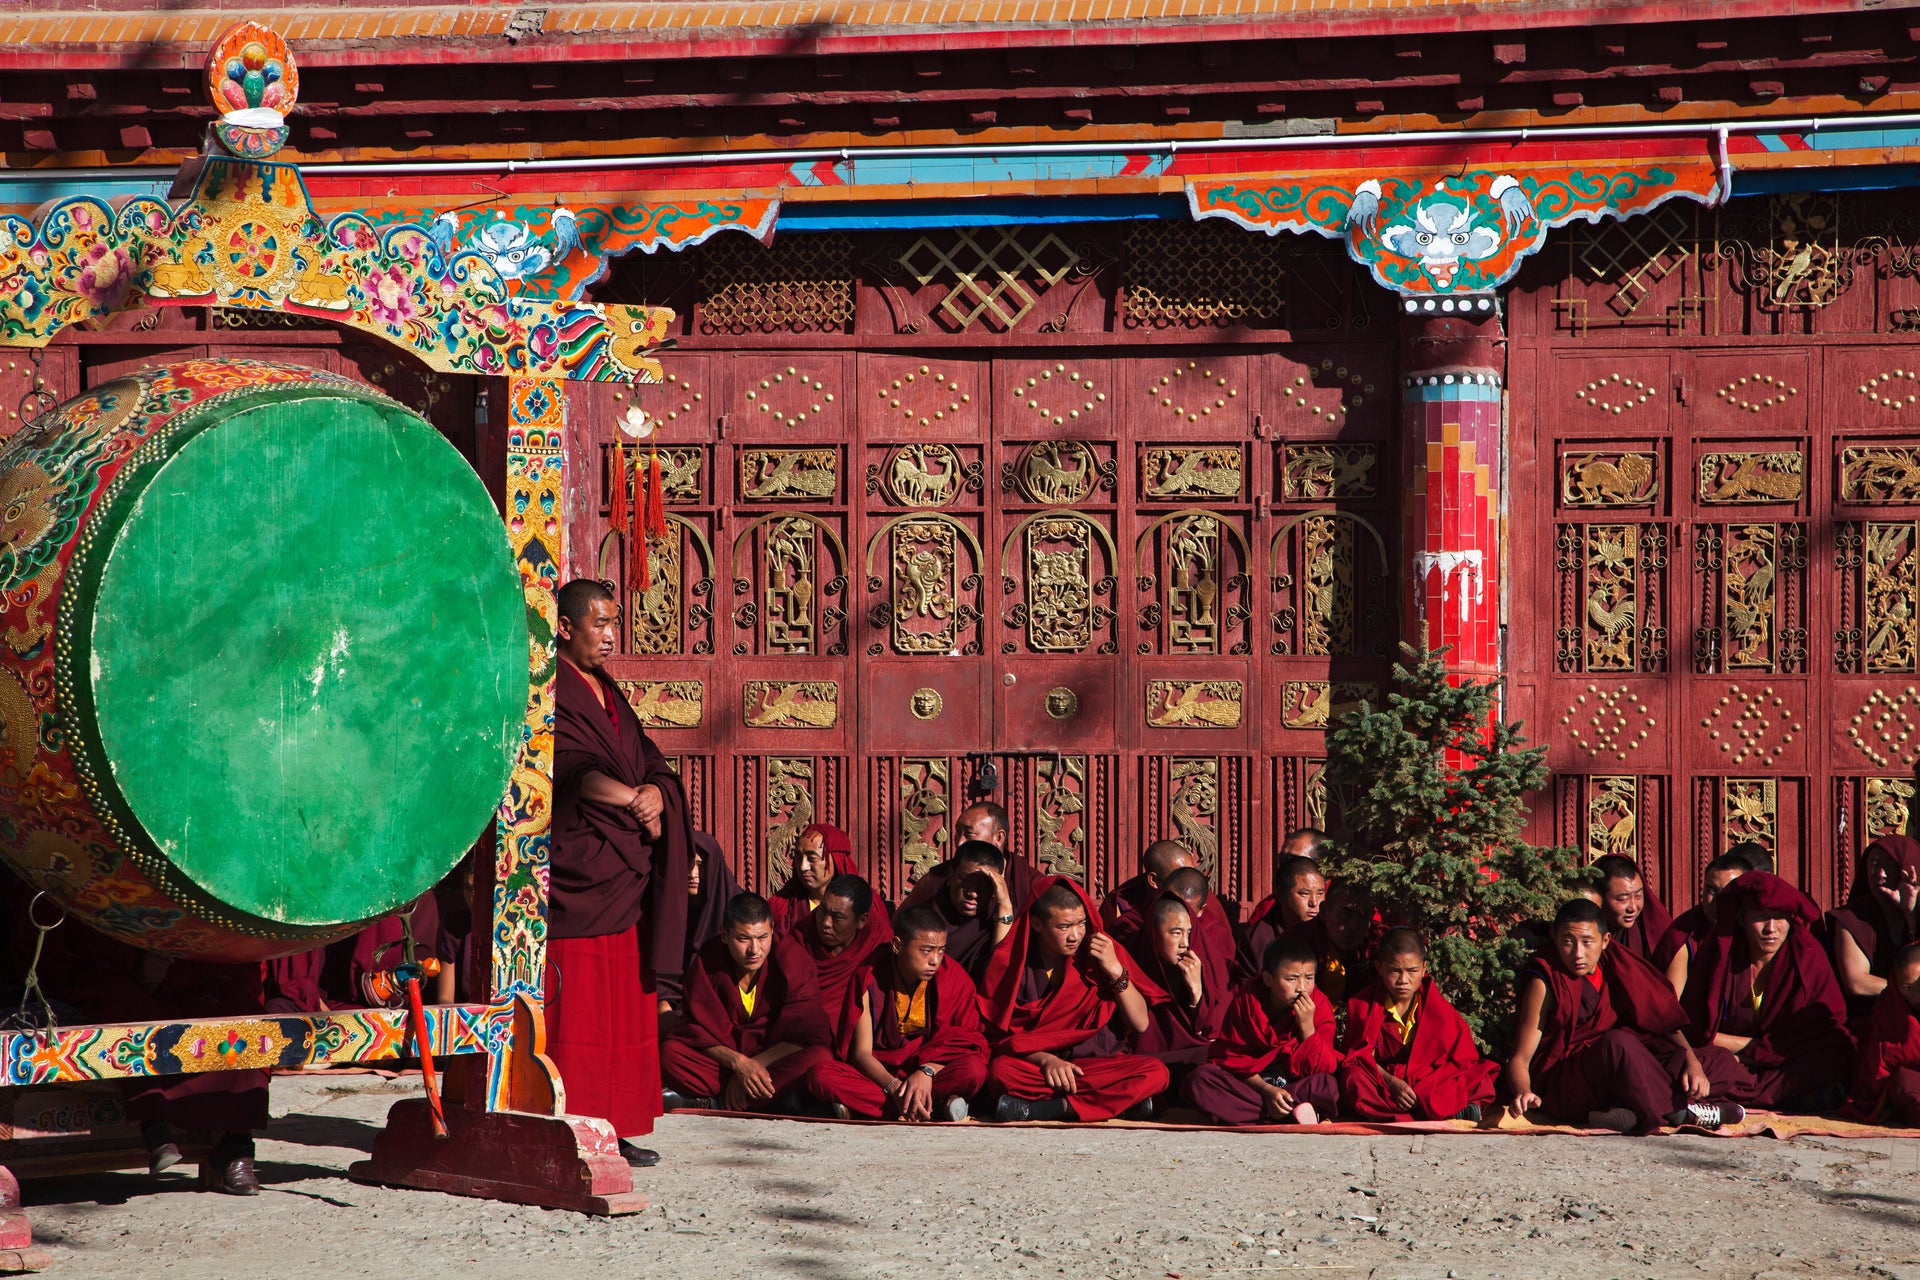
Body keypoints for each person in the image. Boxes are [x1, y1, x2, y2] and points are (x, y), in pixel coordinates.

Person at [550, 577, 691, 1168]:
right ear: (566, 628)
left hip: (623, 872)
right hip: (580, 871)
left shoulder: (606, 691)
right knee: (580, 1015)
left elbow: (650, 760)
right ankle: (573, 1120)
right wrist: (629, 797)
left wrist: (657, 792)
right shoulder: (549, 688)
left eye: (614, 623)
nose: (612, 636)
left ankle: (617, 1124)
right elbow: (568, 768)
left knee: (624, 1015)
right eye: (601, 624)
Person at [1504, 899, 1736, 1133]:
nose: (1578, 953)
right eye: (1567, 942)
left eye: (1587, 942)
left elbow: (1662, 1020)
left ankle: (1622, 1111)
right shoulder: (1546, 979)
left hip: (1620, 1070)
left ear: (1605, 941)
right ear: (1553, 936)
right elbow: (1521, 1057)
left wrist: (1692, 1062)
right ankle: (1680, 1111)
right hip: (1568, 1085)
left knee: (1718, 1060)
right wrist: (1524, 1091)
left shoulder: (1615, 963)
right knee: (1618, 1043)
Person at [979, 878, 1169, 1122]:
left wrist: (1114, 969)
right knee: (1001, 1072)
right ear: (1037, 924)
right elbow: (1001, 1038)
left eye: (1081, 923)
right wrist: (1047, 1060)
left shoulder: (1101, 953)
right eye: (1064, 927)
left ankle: (1048, 1109)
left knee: (1156, 1073)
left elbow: (1140, 1023)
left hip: (1096, 1066)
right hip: (1042, 1068)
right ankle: (1118, 1104)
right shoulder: (1016, 966)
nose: (1075, 935)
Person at [1681, 872, 1853, 1113]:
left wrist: (1756, 1053)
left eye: (1779, 918)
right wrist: (1754, 1051)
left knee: (1831, 1061)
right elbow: (1697, 1029)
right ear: (1741, 918)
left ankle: (1730, 1099)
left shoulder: (1806, 954)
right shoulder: (1720, 953)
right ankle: (1788, 1099)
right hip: (1734, 1060)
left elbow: (1827, 1029)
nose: (1771, 929)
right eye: (1761, 918)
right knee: (1699, 1063)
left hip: (1784, 1060)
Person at [806, 904, 989, 1121]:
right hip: (883, 1076)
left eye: (941, 950)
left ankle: (876, 1109)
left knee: (974, 1070)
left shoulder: (953, 977)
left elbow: (967, 1042)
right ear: (897, 945)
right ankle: (933, 1107)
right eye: (926, 950)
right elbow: (861, 1053)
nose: (935, 960)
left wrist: (926, 1072)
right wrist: (894, 1087)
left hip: (930, 1075)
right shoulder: (869, 976)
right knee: (821, 1075)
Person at [660, 893, 833, 1113]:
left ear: (772, 930)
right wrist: (738, 1063)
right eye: (743, 939)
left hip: (771, 1059)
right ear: (725, 935)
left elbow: (806, 1033)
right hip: (726, 1063)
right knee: (670, 1053)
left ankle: (719, 1103)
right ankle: (771, 1101)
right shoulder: (709, 961)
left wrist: (753, 1066)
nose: (754, 950)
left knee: (819, 1057)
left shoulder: (792, 959)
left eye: (762, 937)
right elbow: (694, 1028)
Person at [1337, 927, 1497, 1122]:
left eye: (1412, 971)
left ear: (1423, 969)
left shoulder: (1435, 1005)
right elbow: (1356, 1058)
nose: (1403, 980)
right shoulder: (1363, 1005)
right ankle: (1439, 1112)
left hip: (1425, 1080)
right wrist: (1391, 1082)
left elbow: (1463, 1060)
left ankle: (1414, 1111)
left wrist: (1423, 1083)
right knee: (1353, 1079)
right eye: (1394, 971)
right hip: (1386, 1082)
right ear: (1379, 967)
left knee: (1478, 1077)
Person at [1182, 934, 1339, 1125]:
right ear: (1267, 979)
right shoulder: (1247, 1002)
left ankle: (1251, 1113)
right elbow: (1231, 1058)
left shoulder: (1319, 1004)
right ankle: (1294, 1113)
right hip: (1255, 1084)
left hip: (1293, 1083)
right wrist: (1267, 1091)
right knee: (1201, 1080)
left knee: (1326, 1085)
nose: (1302, 988)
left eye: (1309, 978)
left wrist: (1307, 1029)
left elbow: (1325, 1067)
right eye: (1291, 979)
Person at [1122, 892, 1229, 1087]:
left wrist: (1196, 991)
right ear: (1153, 932)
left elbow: (1211, 1032)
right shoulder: (1134, 962)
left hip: (1193, 1059)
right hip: (1148, 1063)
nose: (1185, 943)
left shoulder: (1205, 965)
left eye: (1189, 932)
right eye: (1176, 933)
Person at [1828, 835, 1920, 1022]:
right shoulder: (1852, 917)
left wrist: (1912, 916)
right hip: (1872, 1019)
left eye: (1890, 865)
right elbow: (1857, 983)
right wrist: (1906, 990)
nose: (1880, 874)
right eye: (1875, 865)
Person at [659, 831, 743, 1030]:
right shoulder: (665, 910)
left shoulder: (738, 909)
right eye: (687, 863)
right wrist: (662, 1006)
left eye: (701, 865)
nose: (693, 873)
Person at [801, 873, 895, 1041]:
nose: (825, 923)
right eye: (822, 911)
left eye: (837, 917)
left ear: (862, 921)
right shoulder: (801, 936)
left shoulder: (877, 945)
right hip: (807, 1040)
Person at [899, 801, 1038, 913]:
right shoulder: (938, 878)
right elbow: (901, 925)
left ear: (998, 838)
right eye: (958, 831)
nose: (959, 842)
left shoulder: (1028, 881)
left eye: (969, 834)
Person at [1657, 851, 1756, 997]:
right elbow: (1674, 1010)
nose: (1717, 901)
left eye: (1728, 892)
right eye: (1712, 890)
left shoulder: (1762, 930)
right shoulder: (1685, 937)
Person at [1848, 941, 1920, 1126]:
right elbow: (1880, 1070)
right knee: (1903, 1083)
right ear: (1895, 986)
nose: (1918, 994)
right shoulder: (1891, 1011)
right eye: (1908, 987)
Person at [929, 839, 1017, 983]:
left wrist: (1005, 905)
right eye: (965, 880)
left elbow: (999, 971)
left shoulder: (998, 915)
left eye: (984, 885)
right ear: (951, 875)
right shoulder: (931, 911)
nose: (973, 894)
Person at [1233, 852, 1328, 982]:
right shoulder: (1259, 938)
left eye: (1320, 893)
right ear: (1280, 894)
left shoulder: (1329, 929)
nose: (1314, 903)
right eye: (1304, 893)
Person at [1100, 840, 1199, 946]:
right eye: (1180, 878)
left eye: (1191, 873)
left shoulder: (1197, 896)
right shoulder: (1120, 907)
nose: (1189, 882)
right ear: (1154, 881)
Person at [768, 822, 858, 938]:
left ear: (836, 861)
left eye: (812, 858)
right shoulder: (780, 907)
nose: (802, 867)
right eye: (798, 857)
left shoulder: (863, 905)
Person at [1589, 854, 1675, 964]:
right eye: (1623, 899)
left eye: (1638, 896)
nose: (1633, 907)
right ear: (1600, 897)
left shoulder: (1652, 930)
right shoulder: (1584, 934)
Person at [1161, 866, 1239, 987]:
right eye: (1173, 905)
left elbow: (1224, 991)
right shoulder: (1144, 922)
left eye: (1188, 911)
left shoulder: (1215, 933)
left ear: (1201, 910)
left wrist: (1196, 989)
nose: (1179, 915)